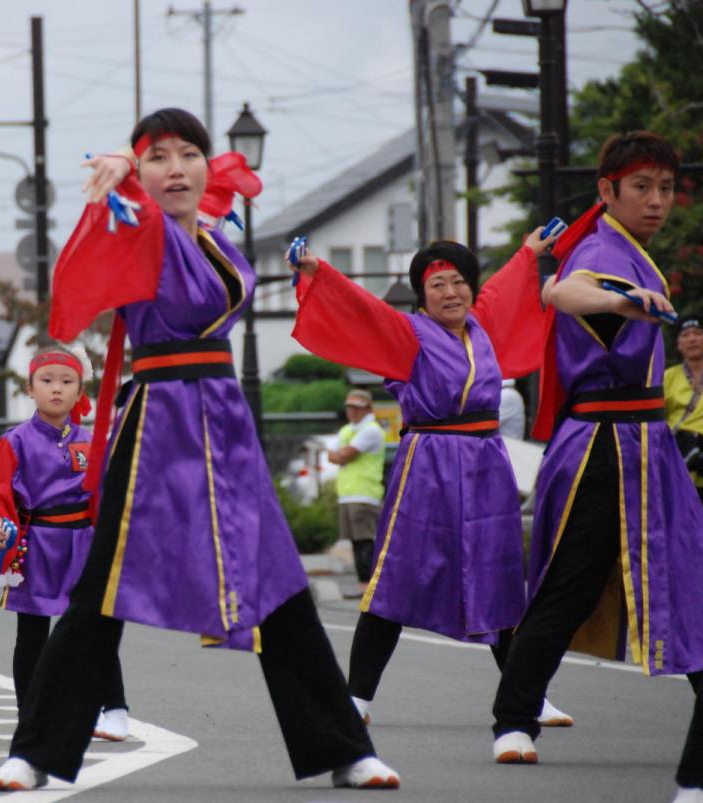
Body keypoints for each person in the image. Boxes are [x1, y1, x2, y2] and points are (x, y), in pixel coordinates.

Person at [0, 108, 398, 792]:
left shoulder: (215, 238)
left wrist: (145, 173)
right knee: (99, 595)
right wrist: (121, 178)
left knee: (281, 587)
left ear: (206, 167)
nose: (175, 169)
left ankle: (345, 749)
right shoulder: (131, 227)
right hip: (158, 421)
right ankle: (32, 754)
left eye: (188, 155)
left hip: (224, 420)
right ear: (139, 172)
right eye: (158, 157)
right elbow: (92, 261)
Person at [490, 132, 703, 801]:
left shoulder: (630, 249)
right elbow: (564, 291)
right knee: (573, 582)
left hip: (645, 441)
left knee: (686, 573)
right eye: (642, 186)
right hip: (604, 445)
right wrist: (618, 300)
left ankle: (515, 716)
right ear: (607, 190)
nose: (657, 200)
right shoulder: (603, 252)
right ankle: (513, 717)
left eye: (665, 187)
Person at [289, 230, 573, 727]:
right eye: (437, 285)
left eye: (459, 282)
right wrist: (318, 272)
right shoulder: (408, 333)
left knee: (500, 577)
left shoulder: (482, 328)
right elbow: (362, 309)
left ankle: (529, 696)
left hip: (486, 465)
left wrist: (529, 251)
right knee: (396, 577)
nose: (450, 292)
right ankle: (356, 699)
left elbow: (505, 290)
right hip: (429, 465)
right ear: (422, 296)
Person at [0, 346, 129, 741]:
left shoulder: (93, 442)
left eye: (67, 381)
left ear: (80, 391)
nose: (56, 389)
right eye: (47, 381)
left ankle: (114, 710)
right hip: (37, 547)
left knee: (94, 628)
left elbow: (109, 495)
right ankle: (31, 714)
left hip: (85, 544)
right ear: (30, 389)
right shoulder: (14, 442)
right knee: (31, 633)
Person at [329, 389, 385, 585]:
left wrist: (341, 454)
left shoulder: (370, 430)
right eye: (349, 407)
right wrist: (340, 455)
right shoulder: (347, 430)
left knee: (365, 543)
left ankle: (369, 587)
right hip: (348, 494)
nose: (352, 411)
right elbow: (332, 455)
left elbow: (344, 455)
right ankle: (364, 585)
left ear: (368, 408)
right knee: (356, 543)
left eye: (357, 407)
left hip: (364, 494)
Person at [665, 314, 703, 502]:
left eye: (697, 333)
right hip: (679, 454)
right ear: (678, 344)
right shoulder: (668, 377)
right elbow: (658, 420)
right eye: (685, 335)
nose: (692, 339)